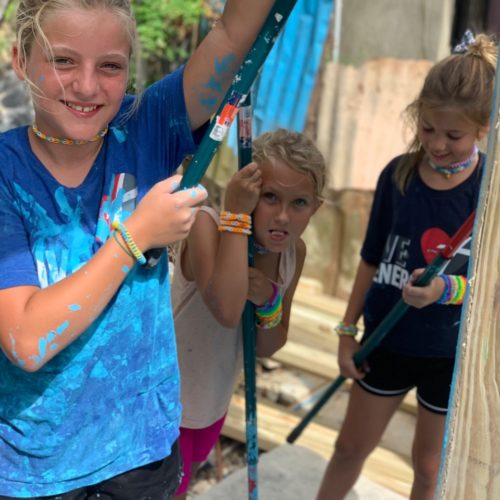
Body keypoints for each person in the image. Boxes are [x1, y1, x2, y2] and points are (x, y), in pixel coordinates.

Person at [0, 0, 276, 498]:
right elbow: (26, 340)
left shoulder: (148, 127)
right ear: (21, 59)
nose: (87, 86)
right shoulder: (4, 174)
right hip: (35, 470)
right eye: (63, 60)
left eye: (110, 66)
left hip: (142, 454)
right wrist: (134, 238)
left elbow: (235, 33)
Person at [316, 32, 498, 500]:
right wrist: (347, 332)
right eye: (428, 128)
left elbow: (489, 286)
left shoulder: (489, 192)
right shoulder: (398, 174)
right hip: (386, 338)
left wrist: (445, 291)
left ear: (483, 128)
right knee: (349, 448)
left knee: (429, 468)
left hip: (448, 353)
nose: (436, 144)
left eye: (453, 135)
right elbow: (370, 258)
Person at [170, 128, 326, 499]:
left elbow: (268, 344)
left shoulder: (293, 254)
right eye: (270, 197)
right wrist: (236, 216)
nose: (283, 216)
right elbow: (226, 310)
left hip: (212, 404)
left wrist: (269, 301)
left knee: (180, 489)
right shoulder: (208, 226)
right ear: (247, 190)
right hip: (165, 405)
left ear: (316, 208)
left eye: (299, 203)